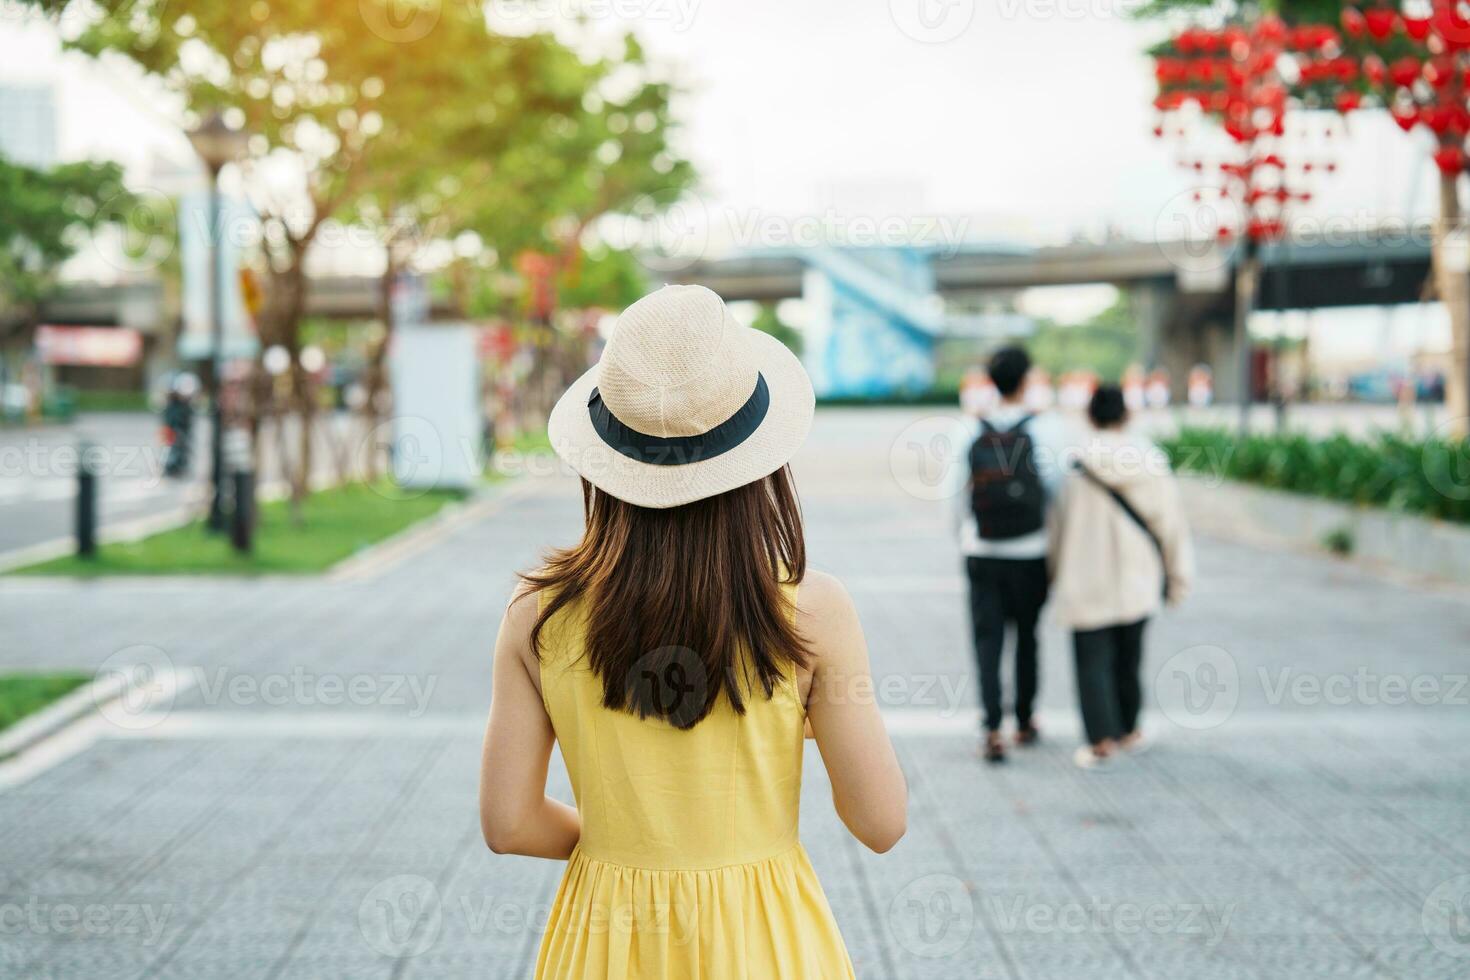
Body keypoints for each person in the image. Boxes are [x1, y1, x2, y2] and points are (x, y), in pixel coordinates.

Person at [479, 285, 906, 978]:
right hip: (765, 943)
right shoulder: (812, 611)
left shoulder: (538, 613)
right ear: (758, 455)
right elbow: (880, 822)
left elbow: (509, 823)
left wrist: (631, 840)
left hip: (606, 945)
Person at [1049, 384, 1194, 770]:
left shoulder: (1074, 463)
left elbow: (1056, 525)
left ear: (1090, 416)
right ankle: (1129, 730)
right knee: (1129, 657)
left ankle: (1099, 741)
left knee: (1091, 660)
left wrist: (1052, 573)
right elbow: (1171, 525)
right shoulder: (1150, 459)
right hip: (1138, 575)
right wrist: (1178, 577)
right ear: (1126, 415)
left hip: (1084, 575)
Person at [944, 346, 1071, 763]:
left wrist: (966, 535)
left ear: (991, 380)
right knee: (1027, 635)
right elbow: (1056, 489)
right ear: (1026, 379)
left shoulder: (968, 428)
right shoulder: (1046, 429)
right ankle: (1026, 718)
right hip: (1030, 550)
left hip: (982, 550)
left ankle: (992, 726)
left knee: (987, 638)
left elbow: (954, 496)